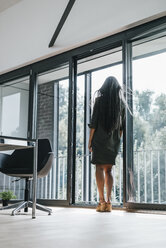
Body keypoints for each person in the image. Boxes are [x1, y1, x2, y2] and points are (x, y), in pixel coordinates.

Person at [88, 76, 125, 212]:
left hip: (99, 139)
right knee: (109, 170)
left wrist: (90, 141)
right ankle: (109, 203)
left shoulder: (99, 101)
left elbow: (94, 123)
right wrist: (116, 141)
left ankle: (101, 201)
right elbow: (121, 128)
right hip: (113, 141)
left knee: (98, 168)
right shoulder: (120, 104)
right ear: (116, 89)